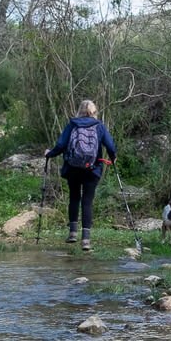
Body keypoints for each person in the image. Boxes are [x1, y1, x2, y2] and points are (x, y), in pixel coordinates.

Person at [44, 100, 116, 252]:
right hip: (93, 169)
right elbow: (110, 146)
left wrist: (50, 154)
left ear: (79, 111)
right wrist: (113, 157)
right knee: (87, 201)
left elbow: (61, 145)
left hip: (73, 168)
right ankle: (86, 240)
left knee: (74, 197)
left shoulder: (72, 124)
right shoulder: (99, 126)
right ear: (94, 112)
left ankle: (72, 233)